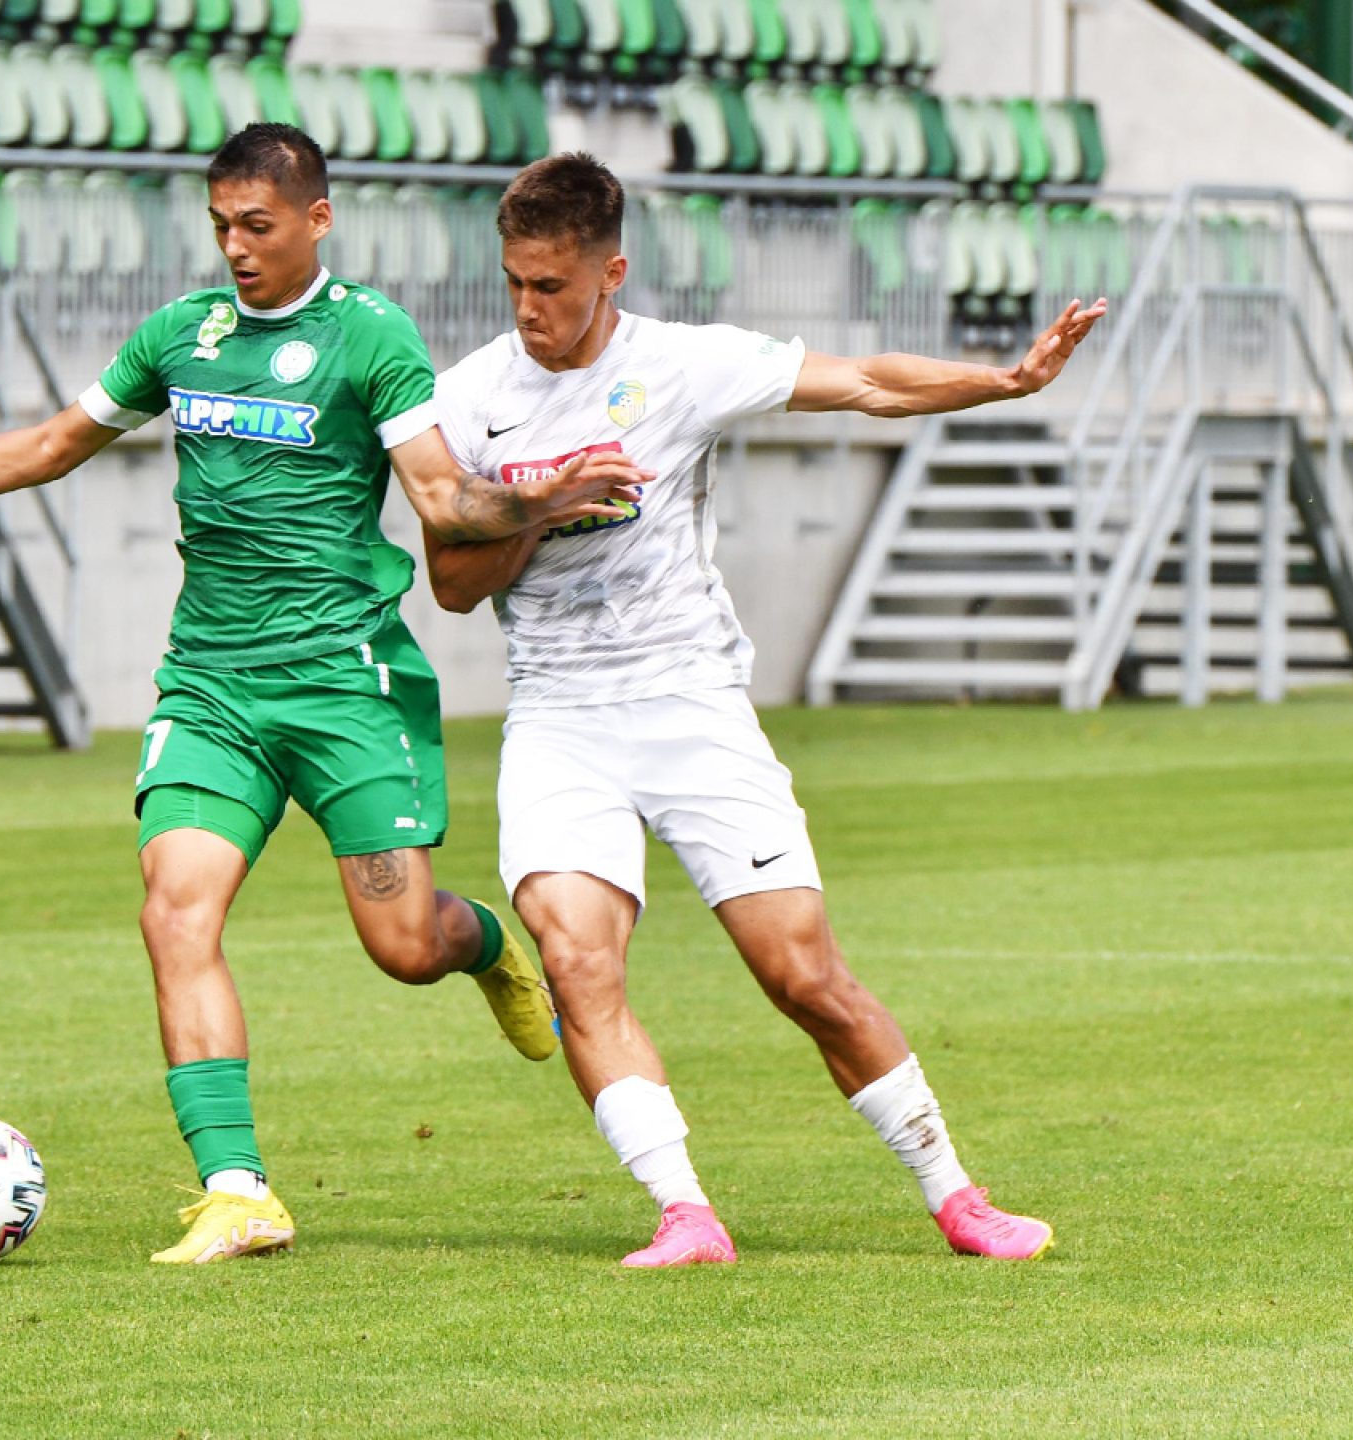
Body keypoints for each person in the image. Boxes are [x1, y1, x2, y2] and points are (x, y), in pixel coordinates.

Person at [0, 125, 652, 1263]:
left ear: (317, 219)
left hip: (341, 688)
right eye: (220, 223)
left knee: (403, 944)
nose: (234, 246)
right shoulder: (185, 335)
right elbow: (60, 442)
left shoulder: (369, 338)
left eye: (256, 224)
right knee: (174, 907)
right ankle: (238, 1190)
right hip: (212, 687)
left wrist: (543, 499)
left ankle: (483, 948)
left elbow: (442, 502)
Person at [424, 153, 1105, 1266]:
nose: (529, 310)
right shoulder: (471, 397)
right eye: (514, 284)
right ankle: (683, 1212)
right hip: (558, 719)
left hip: (690, 706)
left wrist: (1006, 381)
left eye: (551, 286)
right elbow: (451, 584)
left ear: (611, 273)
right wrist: (539, 510)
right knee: (576, 964)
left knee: (802, 974)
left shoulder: (684, 367)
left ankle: (955, 1195)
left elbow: (868, 382)